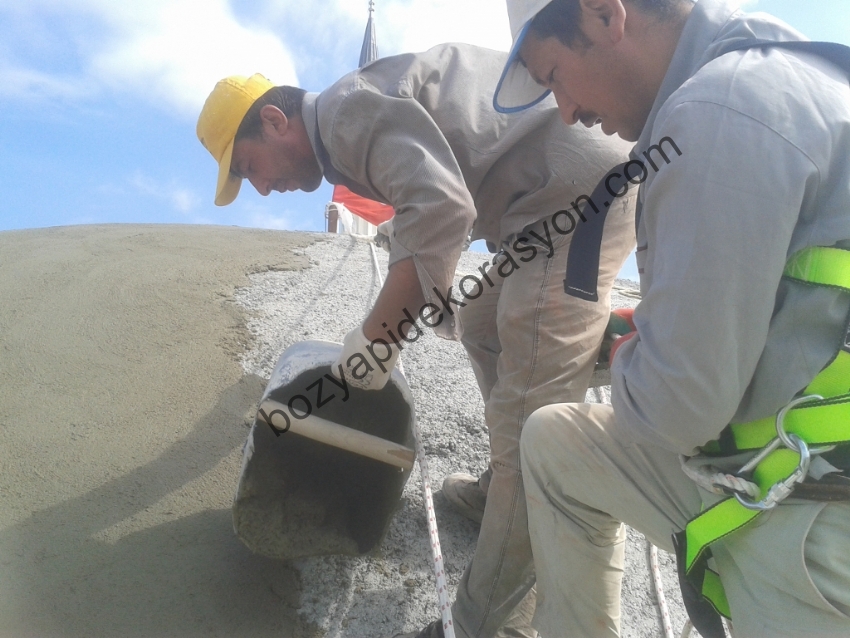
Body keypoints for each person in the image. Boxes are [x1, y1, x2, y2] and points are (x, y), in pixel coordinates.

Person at [196, 43, 636, 638]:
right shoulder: (350, 120)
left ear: (275, 121)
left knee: (529, 425)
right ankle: (521, 458)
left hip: (576, 196)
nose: (262, 189)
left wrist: (378, 338)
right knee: (482, 319)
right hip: (544, 200)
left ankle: (481, 622)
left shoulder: (344, 115)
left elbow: (439, 208)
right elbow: (425, 203)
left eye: (249, 167)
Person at [493, 0, 850, 636]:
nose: (566, 112)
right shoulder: (799, 80)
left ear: (605, 15)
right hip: (797, 449)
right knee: (554, 441)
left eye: (555, 77)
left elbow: (676, 409)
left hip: (815, 511)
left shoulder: (716, 110)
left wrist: (629, 353)